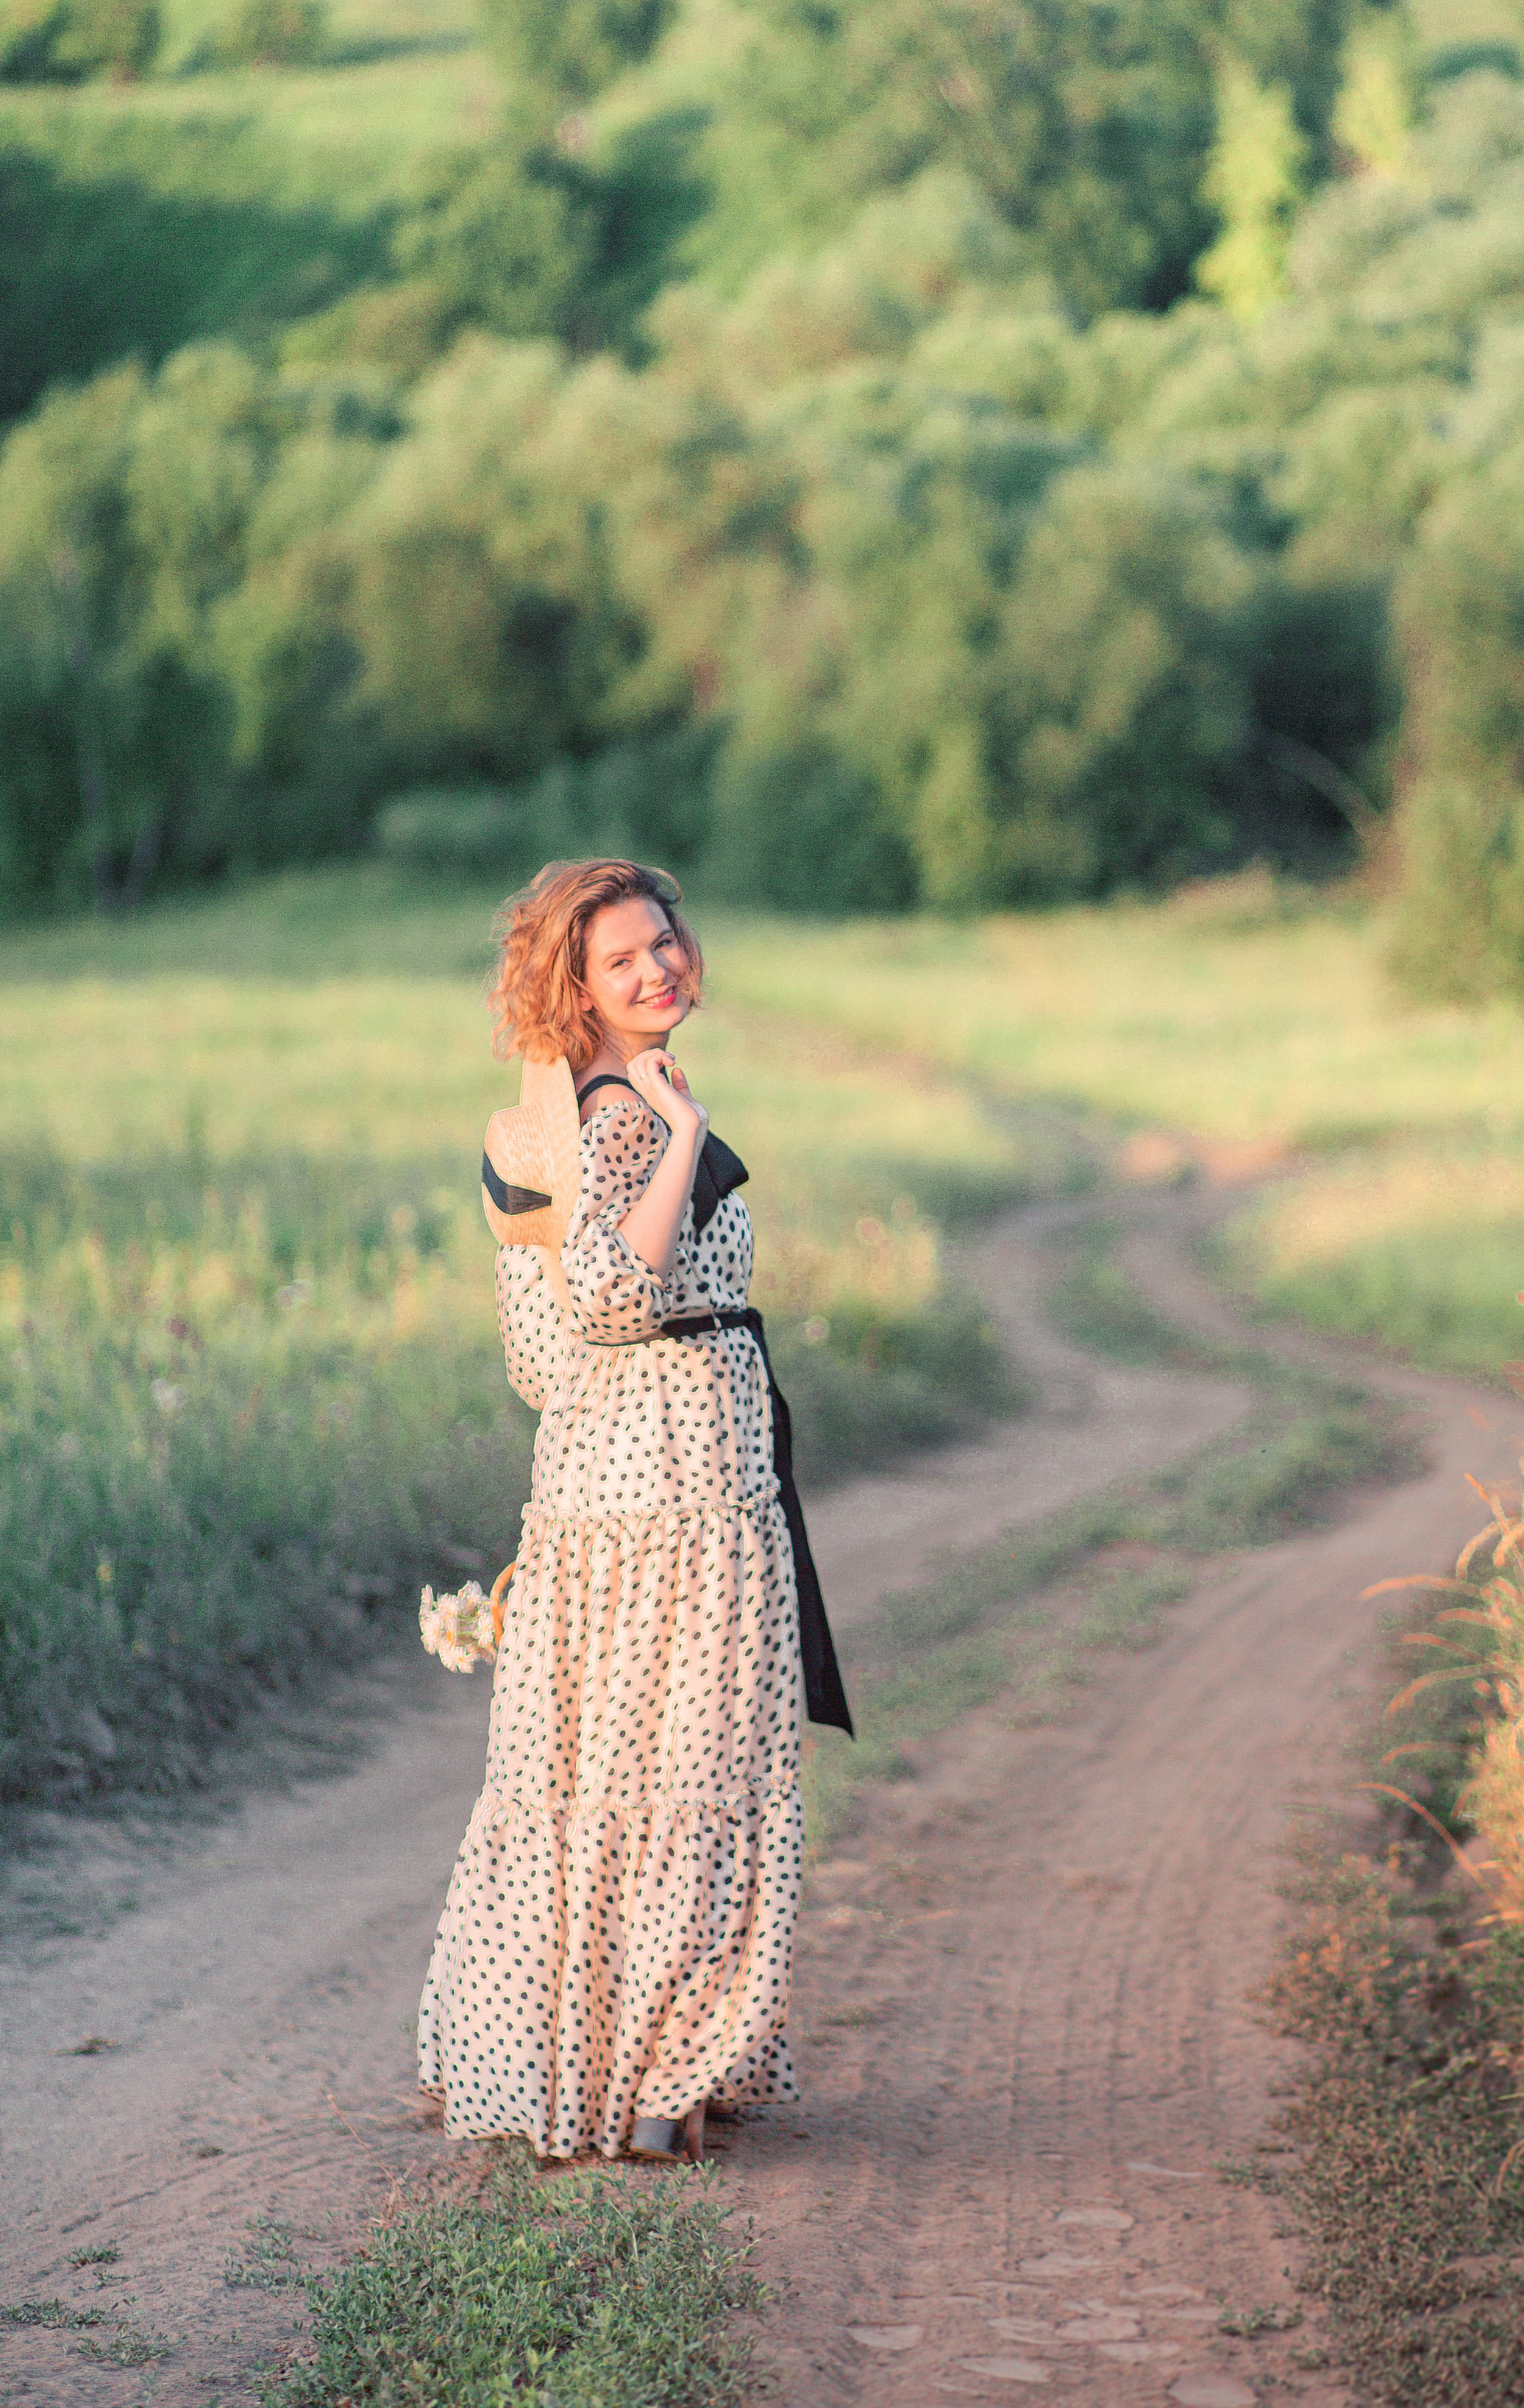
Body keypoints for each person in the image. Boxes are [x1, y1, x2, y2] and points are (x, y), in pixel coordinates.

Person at [417, 858, 849, 2164]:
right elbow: (606, 1296)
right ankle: (666, 2083)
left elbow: (540, 1364)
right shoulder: (625, 1118)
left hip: (603, 1485)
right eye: (625, 959)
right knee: (699, 1770)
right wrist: (675, 1124)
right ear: (578, 987)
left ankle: (570, 2060)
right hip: (690, 1486)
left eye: (666, 943)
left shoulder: (547, 1130)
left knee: (599, 1772)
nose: (660, 968)